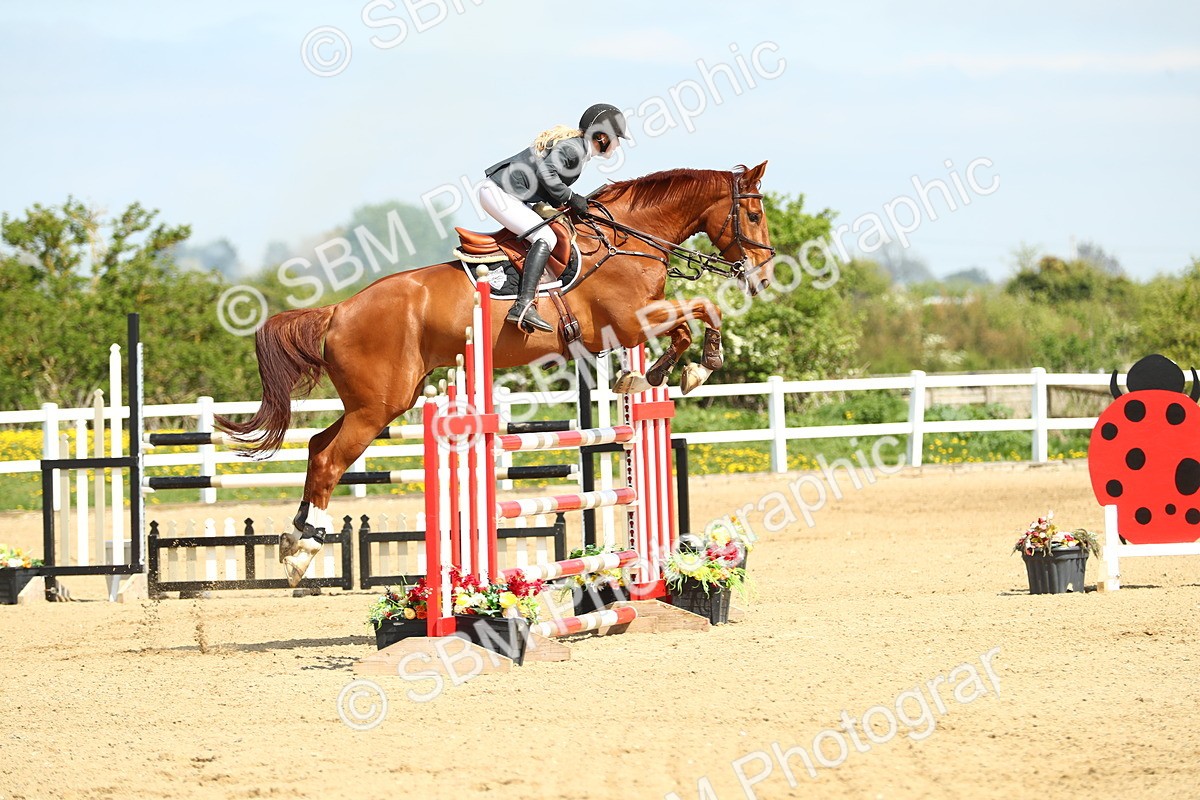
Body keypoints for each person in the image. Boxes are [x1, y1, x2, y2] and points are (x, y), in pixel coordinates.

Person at [480, 103, 629, 333]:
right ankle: (523, 305)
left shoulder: (578, 149)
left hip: (509, 193)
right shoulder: (574, 149)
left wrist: (569, 205)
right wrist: (571, 197)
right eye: (616, 139)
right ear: (601, 137)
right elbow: (546, 172)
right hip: (500, 193)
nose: (618, 145)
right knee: (546, 237)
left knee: (552, 230)